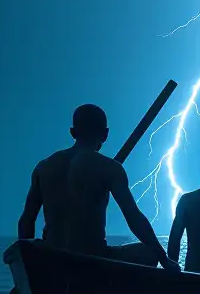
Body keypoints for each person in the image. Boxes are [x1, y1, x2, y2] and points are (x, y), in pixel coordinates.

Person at [17, 103, 180, 272]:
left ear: (72, 132)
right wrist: (164, 260)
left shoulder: (44, 167)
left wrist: (28, 262)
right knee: (149, 252)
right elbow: (134, 217)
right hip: (93, 257)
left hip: (53, 255)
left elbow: (27, 220)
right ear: (106, 134)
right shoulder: (109, 168)